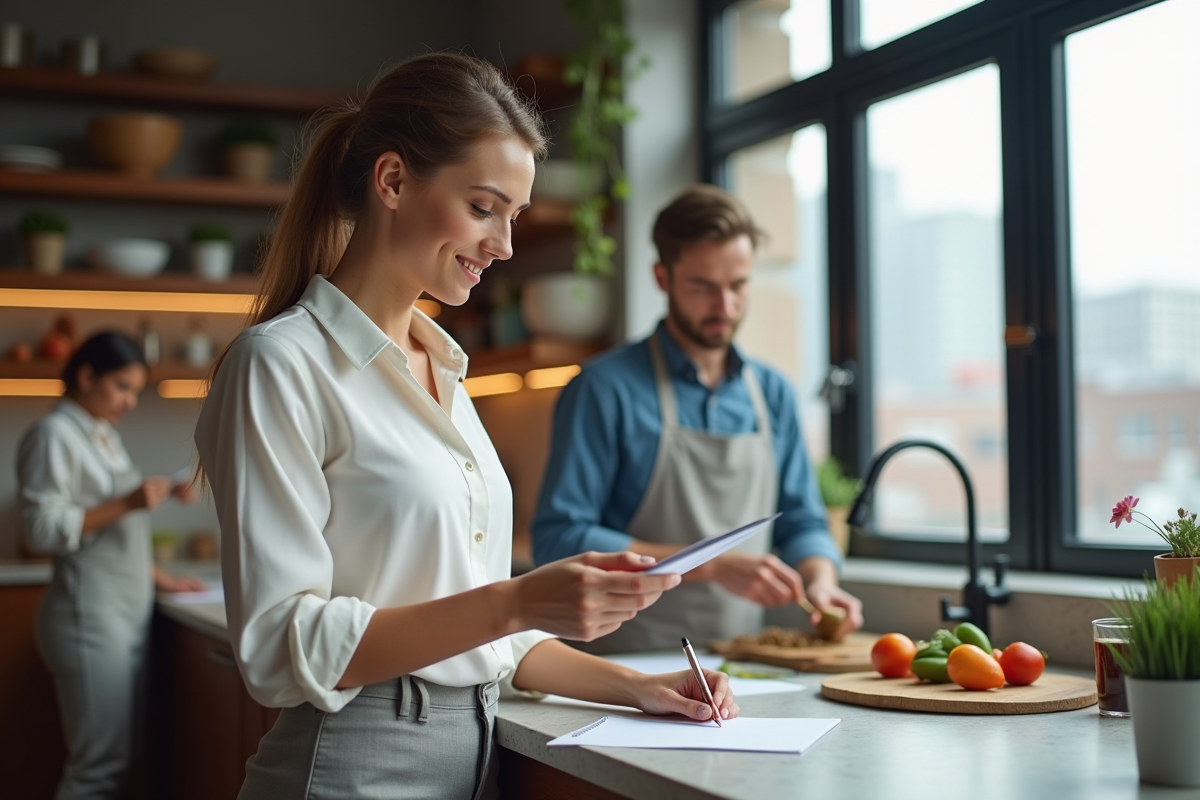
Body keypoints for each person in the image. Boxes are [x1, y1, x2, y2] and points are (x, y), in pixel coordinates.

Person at [194, 52, 736, 800]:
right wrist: (518, 599)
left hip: (471, 757)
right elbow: (283, 647)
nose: (504, 245)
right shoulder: (279, 366)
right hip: (352, 769)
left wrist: (639, 687)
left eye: (513, 217)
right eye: (484, 208)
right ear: (392, 181)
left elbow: (483, 632)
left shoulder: (443, 367)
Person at [531, 184, 865, 654]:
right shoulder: (602, 389)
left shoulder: (772, 393)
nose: (724, 307)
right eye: (703, 287)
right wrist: (706, 564)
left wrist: (820, 579)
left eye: (738, 285)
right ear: (662, 277)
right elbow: (560, 539)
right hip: (622, 665)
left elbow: (803, 523)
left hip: (743, 663)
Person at [17, 331, 205, 800]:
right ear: (86, 376)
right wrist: (128, 502)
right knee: (98, 766)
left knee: (116, 759)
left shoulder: (102, 436)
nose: (130, 401)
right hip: (88, 618)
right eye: (123, 387)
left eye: (135, 391)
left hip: (122, 614)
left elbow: (110, 531)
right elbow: (40, 530)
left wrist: (160, 577)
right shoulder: (52, 435)